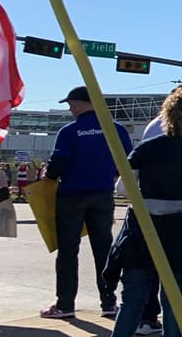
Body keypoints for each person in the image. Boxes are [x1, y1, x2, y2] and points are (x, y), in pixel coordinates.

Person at [94, 87, 182, 337]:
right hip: (180, 232)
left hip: (142, 230)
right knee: (174, 298)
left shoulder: (146, 148)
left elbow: (122, 189)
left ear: (166, 114)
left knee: (132, 298)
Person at [40, 86, 133, 320]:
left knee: (68, 251)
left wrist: (48, 174)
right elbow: (128, 161)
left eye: (71, 104)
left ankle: (65, 305)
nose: (70, 109)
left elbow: (58, 163)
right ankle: (109, 302)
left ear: (82, 104)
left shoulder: (69, 131)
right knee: (104, 250)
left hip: (71, 196)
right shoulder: (116, 129)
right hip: (102, 195)